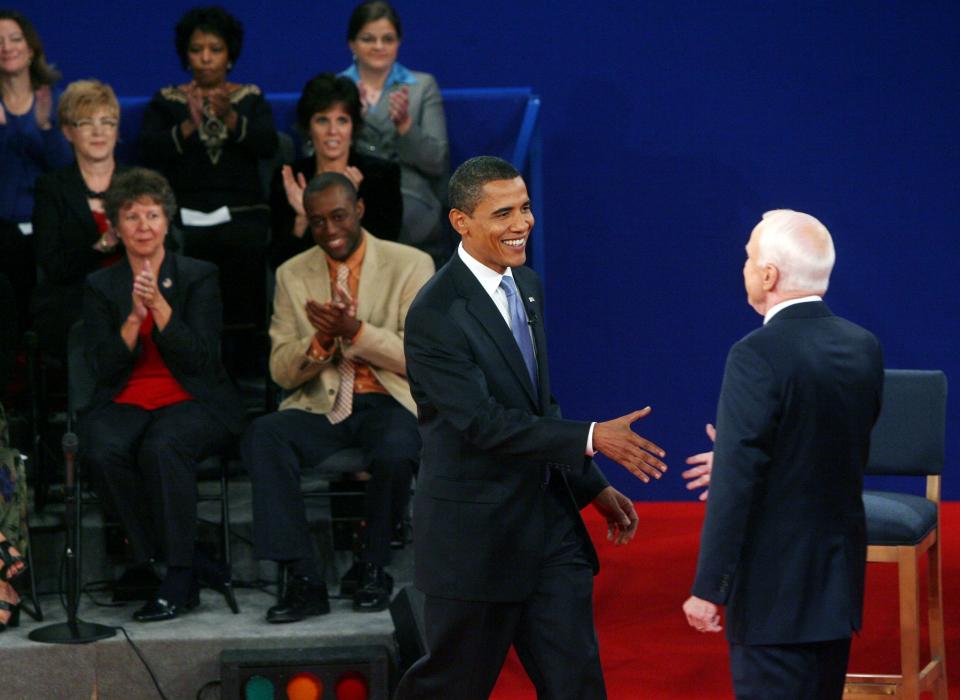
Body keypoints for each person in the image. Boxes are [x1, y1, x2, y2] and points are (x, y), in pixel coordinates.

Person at [394, 156, 668, 700]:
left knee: (577, 686)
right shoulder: (436, 313)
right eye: (503, 213)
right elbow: (483, 423)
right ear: (460, 223)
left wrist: (591, 485)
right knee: (451, 687)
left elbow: (538, 403)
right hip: (477, 541)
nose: (522, 223)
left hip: (547, 529)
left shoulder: (528, 284)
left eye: (525, 207)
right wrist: (593, 437)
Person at [682, 210, 884, 700]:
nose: (745, 266)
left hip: (775, 595)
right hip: (834, 591)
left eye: (749, 257)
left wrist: (709, 588)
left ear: (768, 275)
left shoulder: (756, 353)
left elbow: (737, 487)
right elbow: (836, 446)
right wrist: (738, 454)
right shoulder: (864, 347)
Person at [243, 172, 433, 621]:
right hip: (322, 403)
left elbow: (421, 358)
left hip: (388, 397)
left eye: (338, 217)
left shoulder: (412, 264)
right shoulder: (292, 274)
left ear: (360, 211)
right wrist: (321, 343)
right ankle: (304, 579)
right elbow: (280, 369)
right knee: (264, 435)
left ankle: (372, 567)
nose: (329, 231)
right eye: (317, 222)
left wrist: (356, 332)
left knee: (397, 448)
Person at [81, 168, 244, 622]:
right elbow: (102, 367)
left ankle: (174, 575)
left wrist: (160, 307)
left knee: (162, 446)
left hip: (194, 398)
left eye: (152, 214)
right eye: (131, 217)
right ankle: (181, 560)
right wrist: (133, 319)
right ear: (116, 229)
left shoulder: (198, 276)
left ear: (168, 222)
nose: (144, 225)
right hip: (126, 397)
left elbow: (202, 360)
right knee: (100, 447)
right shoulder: (101, 287)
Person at [140, 6, 277, 331]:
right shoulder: (166, 101)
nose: (205, 58)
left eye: (215, 50)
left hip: (242, 211)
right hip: (185, 211)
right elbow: (148, 150)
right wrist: (190, 125)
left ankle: (246, 359)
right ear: (186, 56)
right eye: (196, 50)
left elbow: (268, 145)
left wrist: (230, 118)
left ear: (229, 56)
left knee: (245, 244)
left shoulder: (250, 98)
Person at [341, 1, 449, 262]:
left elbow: (437, 160)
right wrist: (355, 123)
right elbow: (315, 153)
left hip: (409, 195)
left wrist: (405, 127)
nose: (379, 47)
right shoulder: (337, 87)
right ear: (352, 44)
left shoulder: (421, 86)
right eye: (368, 39)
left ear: (399, 42)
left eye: (387, 39)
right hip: (352, 190)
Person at [32, 80, 126, 360]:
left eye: (107, 122)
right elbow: (53, 264)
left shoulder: (139, 183)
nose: (98, 131)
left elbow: (168, 246)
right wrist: (101, 247)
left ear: (117, 130)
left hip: (136, 291)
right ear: (68, 132)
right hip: (75, 297)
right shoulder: (52, 188)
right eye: (86, 122)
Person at [269, 72, 402, 268]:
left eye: (342, 120)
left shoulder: (380, 176)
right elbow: (279, 264)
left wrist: (351, 205)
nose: (333, 131)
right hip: (307, 285)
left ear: (353, 127)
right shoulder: (290, 179)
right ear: (308, 127)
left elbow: (386, 252)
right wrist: (303, 217)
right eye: (322, 120)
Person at [0, 10, 72, 335]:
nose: (6, 47)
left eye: (15, 39)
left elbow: (67, 173)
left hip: (48, 221)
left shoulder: (55, 103)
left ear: (31, 49)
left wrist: (44, 128)